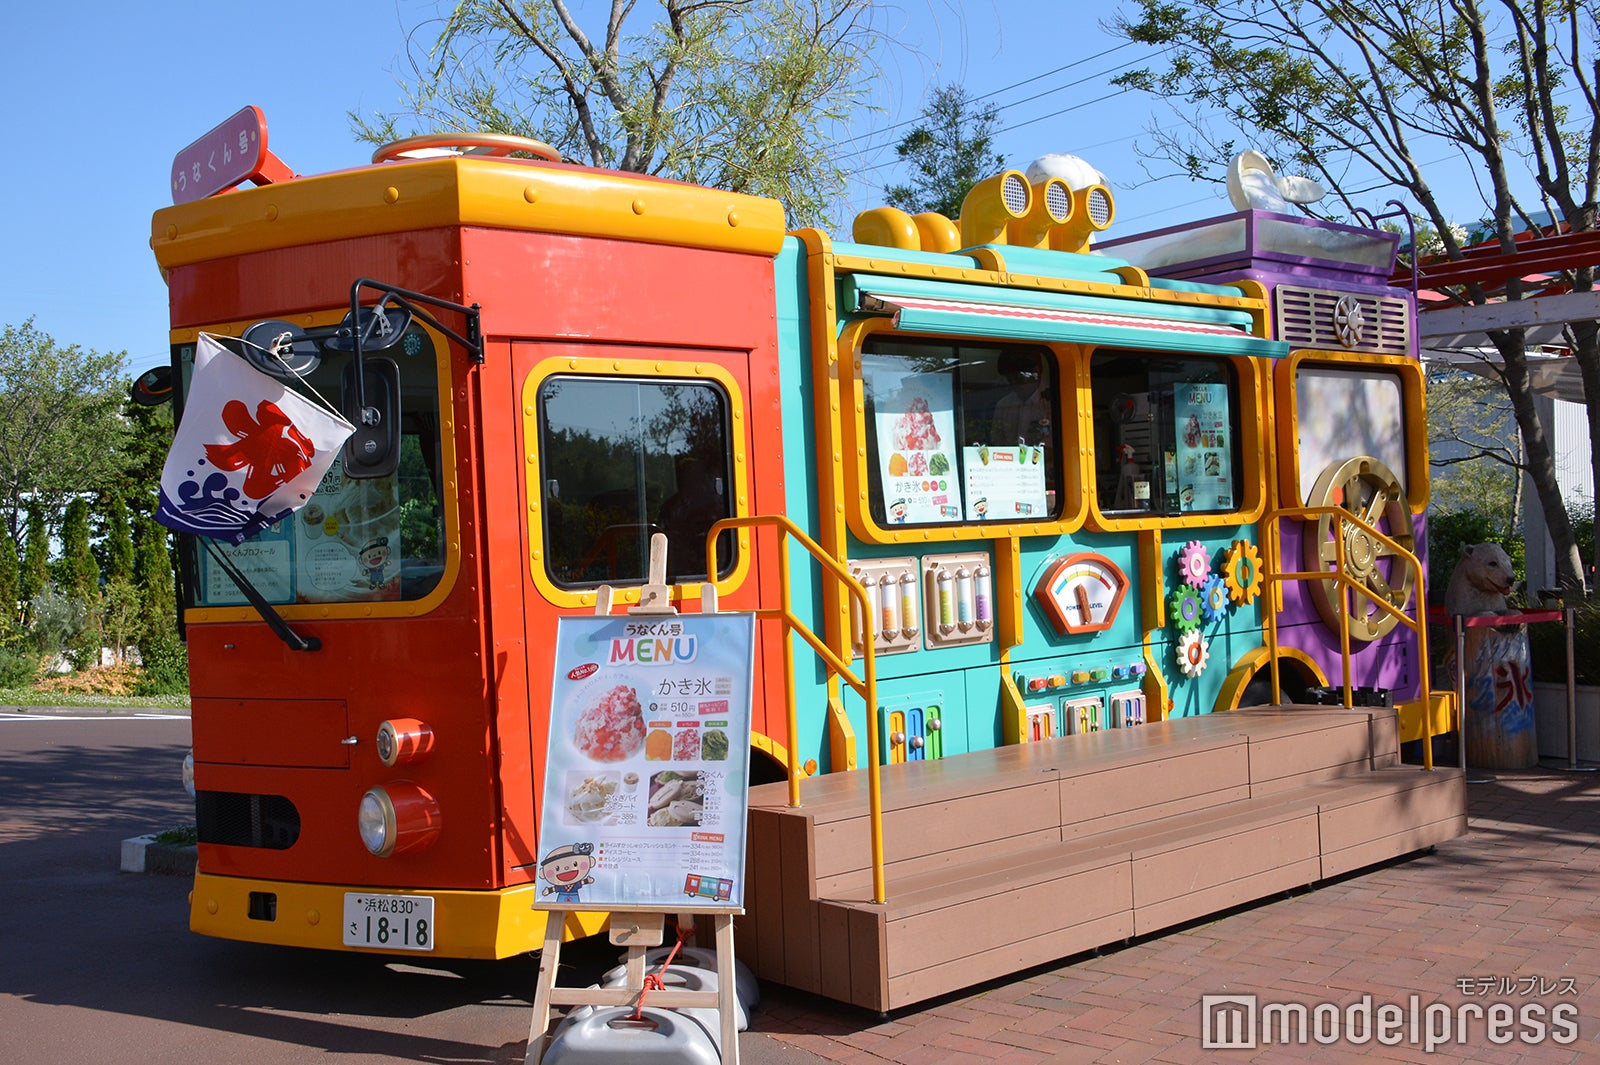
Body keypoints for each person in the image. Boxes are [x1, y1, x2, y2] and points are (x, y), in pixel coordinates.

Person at [993, 353, 1051, 445]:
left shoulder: (1053, 402)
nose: (1013, 384)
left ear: (1036, 372)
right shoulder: (1003, 405)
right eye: (1009, 379)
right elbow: (996, 442)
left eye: (1018, 378)